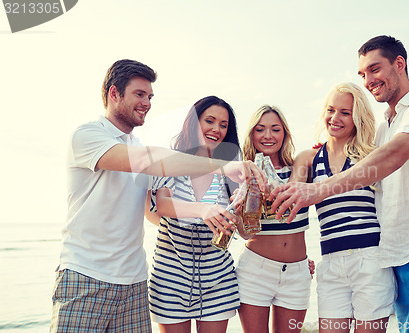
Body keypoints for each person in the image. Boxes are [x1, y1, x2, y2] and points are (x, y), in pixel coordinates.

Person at [272, 36, 409, 332]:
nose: (369, 79)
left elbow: (392, 156)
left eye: (375, 69)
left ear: (400, 64)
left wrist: (318, 189)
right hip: (397, 260)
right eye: (362, 74)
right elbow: (374, 170)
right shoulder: (383, 129)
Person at [50, 60, 265, 333]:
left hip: (134, 281)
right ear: (114, 94)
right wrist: (221, 168)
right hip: (86, 275)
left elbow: (154, 209)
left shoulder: (139, 144)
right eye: (139, 94)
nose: (147, 102)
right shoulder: (89, 135)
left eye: (150, 96)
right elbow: (151, 174)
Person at [289, 82, 395, 333]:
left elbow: (403, 192)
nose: (335, 118)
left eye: (345, 113)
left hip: (370, 261)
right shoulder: (308, 159)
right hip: (330, 263)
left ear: (357, 117)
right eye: (330, 110)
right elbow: (288, 203)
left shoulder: (370, 155)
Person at [144, 96, 242, 333]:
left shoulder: (231, 169)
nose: (216, 129)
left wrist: (242, 210)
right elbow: (162, 204)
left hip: (218, 279)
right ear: (193, 123)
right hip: (170, 278)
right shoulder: (170, 160)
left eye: (223, 125)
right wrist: (202, 210)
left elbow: (245, 233)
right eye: (209, 121)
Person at [235, 105, 312, 333]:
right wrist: (241, 204)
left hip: (298, 272)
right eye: (260, 129)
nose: (268, 136)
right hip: (254, 271)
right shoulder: (242, 173)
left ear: (284, 134)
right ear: (252, 135)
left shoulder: (301, 167)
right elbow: (245, 233)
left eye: (275, 129)